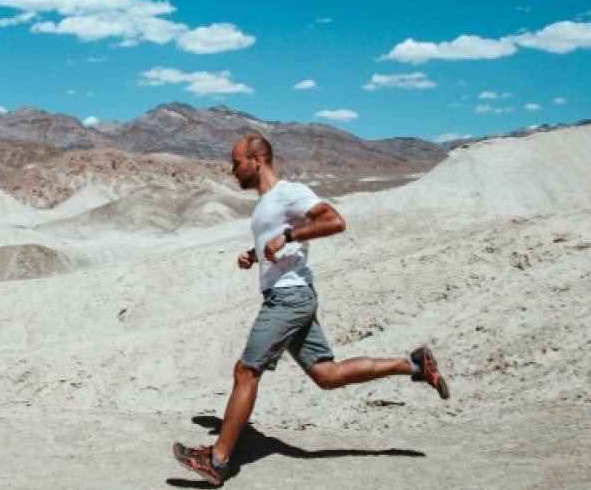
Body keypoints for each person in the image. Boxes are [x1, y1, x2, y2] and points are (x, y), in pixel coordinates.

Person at [172, 134, 449, 486]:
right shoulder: (266, 203)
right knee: (326, 375)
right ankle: (414, 364)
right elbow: (278, 241)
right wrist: (255, 254)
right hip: (291, 294)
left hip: (289, 297)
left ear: (257, 160)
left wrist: (286, 237)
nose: (232, 170)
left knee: (246, 371)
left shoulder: (289, 192)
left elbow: (334, 220)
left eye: (236, 162)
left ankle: (217, 460)